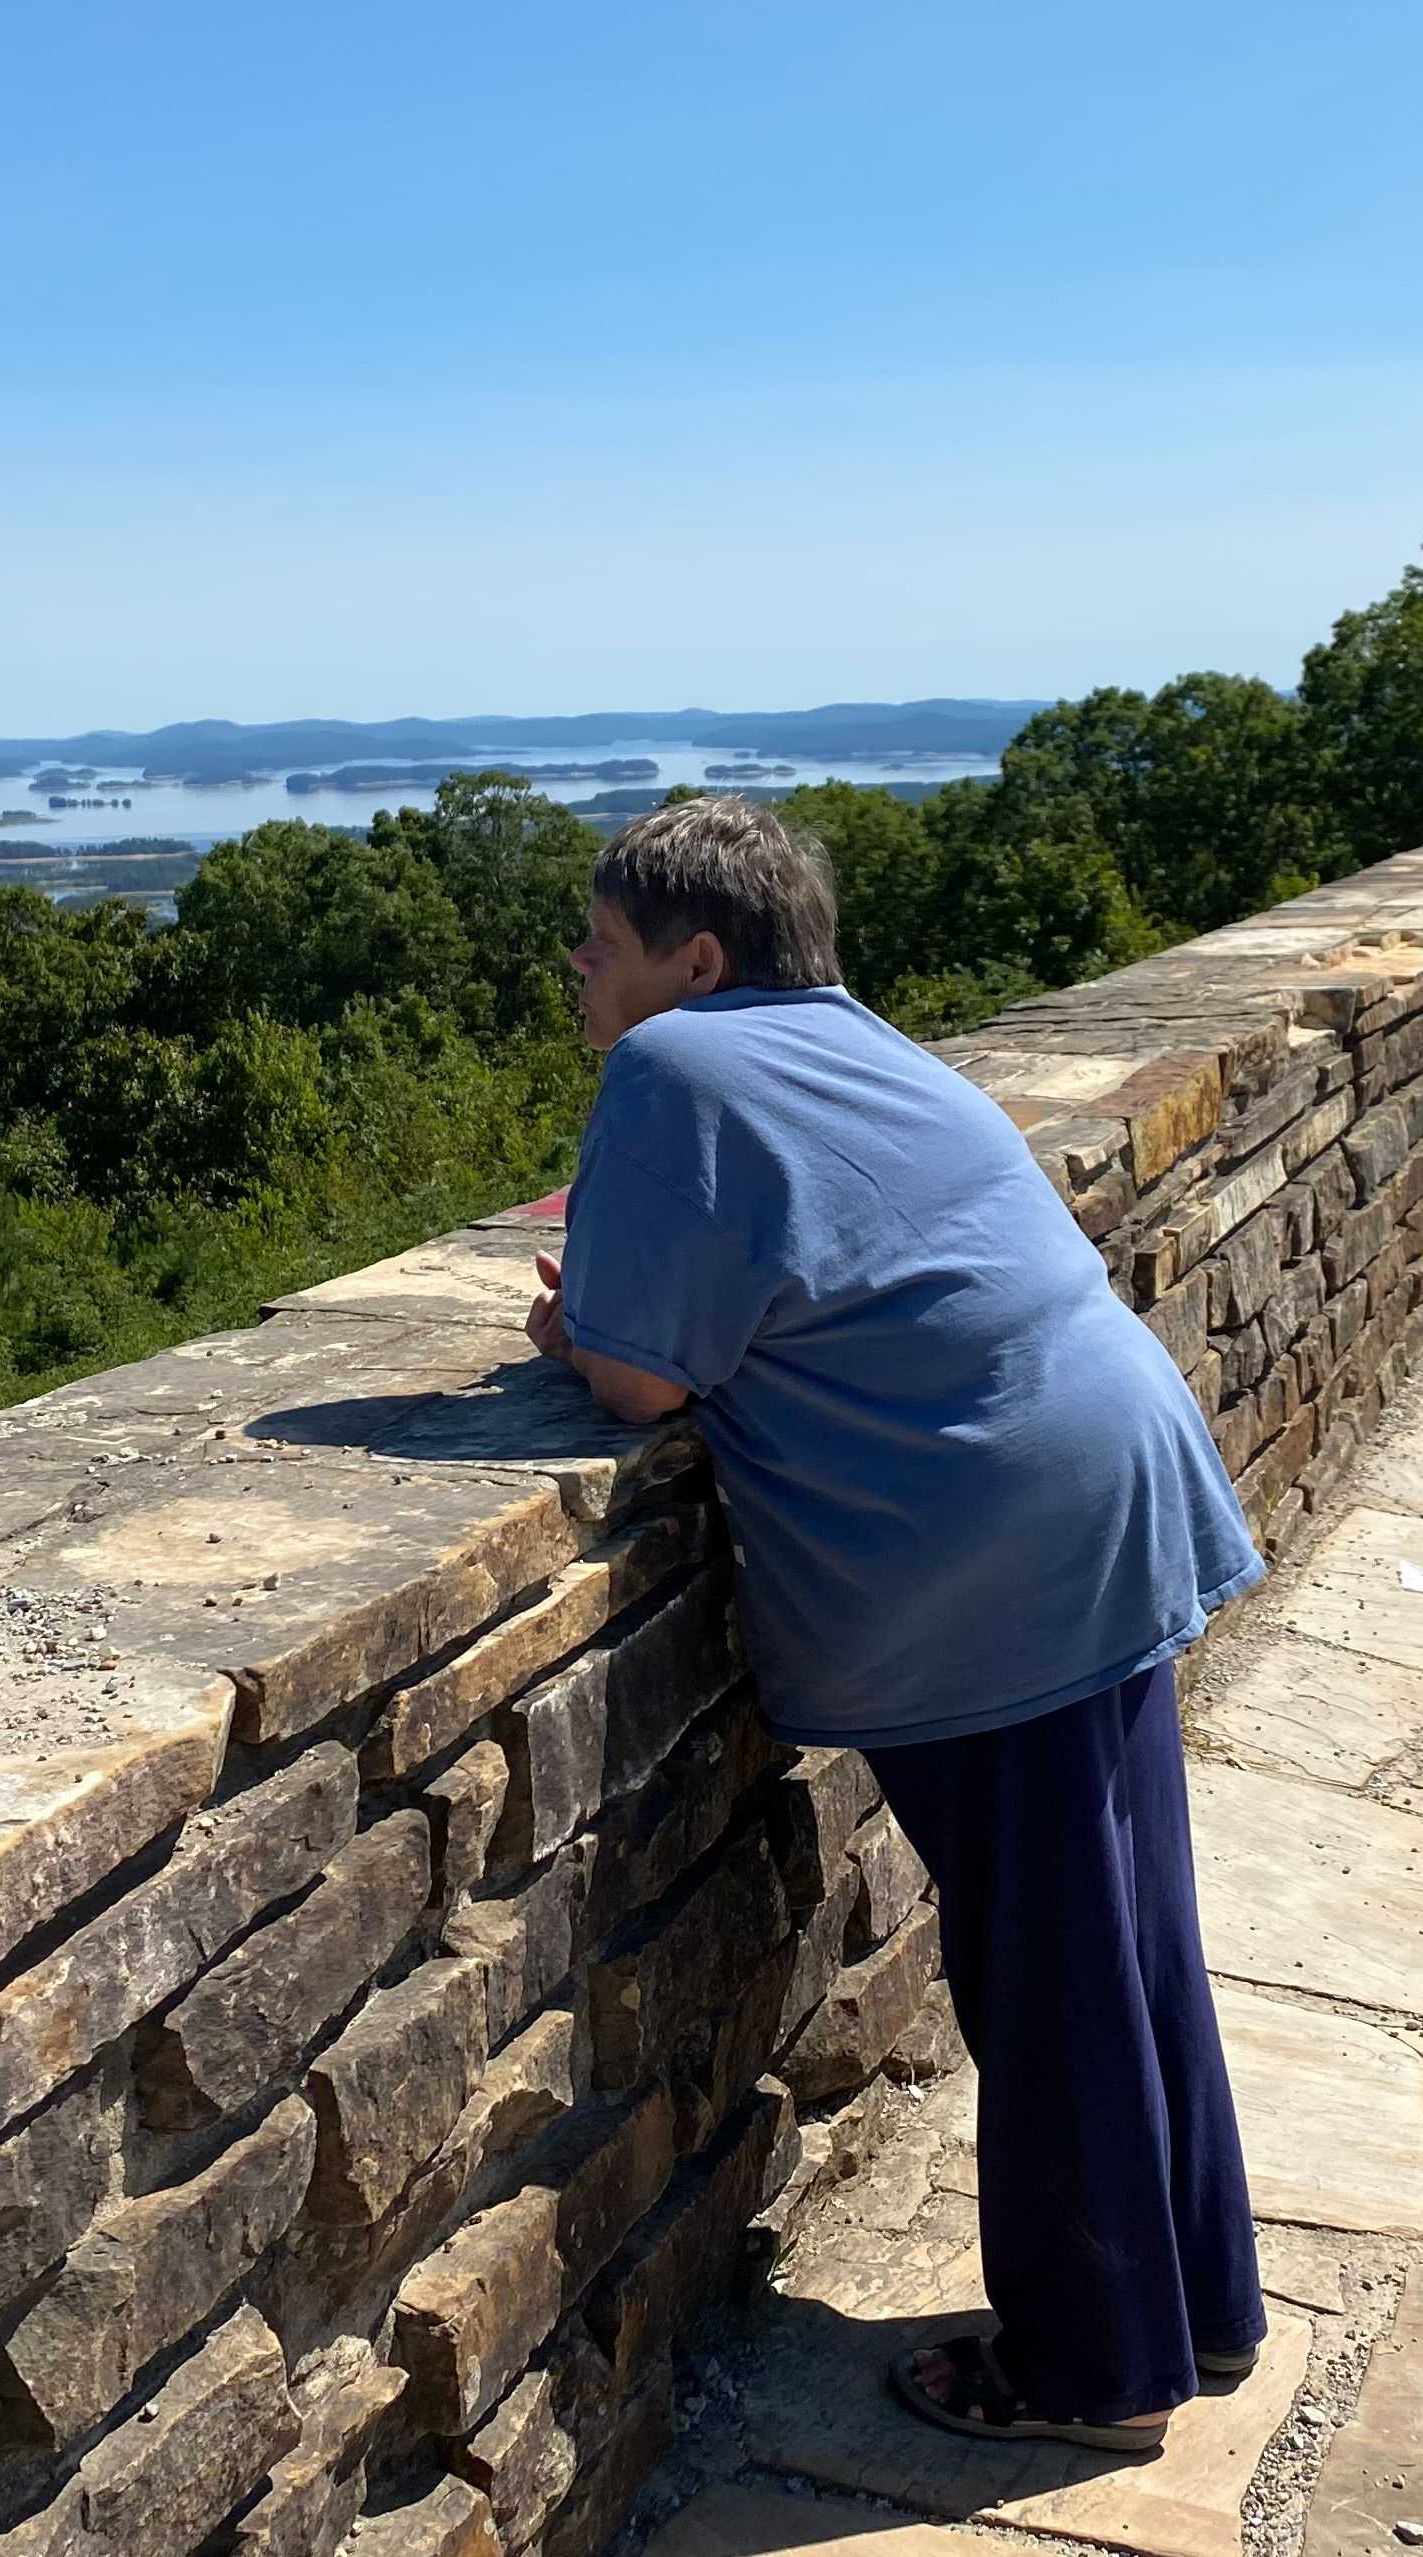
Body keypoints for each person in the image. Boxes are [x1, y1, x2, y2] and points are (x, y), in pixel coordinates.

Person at [522, 794, 1272, 2456]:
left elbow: (645, 1373)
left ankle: (1092, 2368)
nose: (577, 964)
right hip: (1109, 1480)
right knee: (1127, 1926)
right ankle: (1195, 2303)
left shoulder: (673, 1065)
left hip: (990, 1548)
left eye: (602, 938)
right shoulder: (860, 1041)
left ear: (693, 958)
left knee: (1051, 1966)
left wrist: (572, 1329)